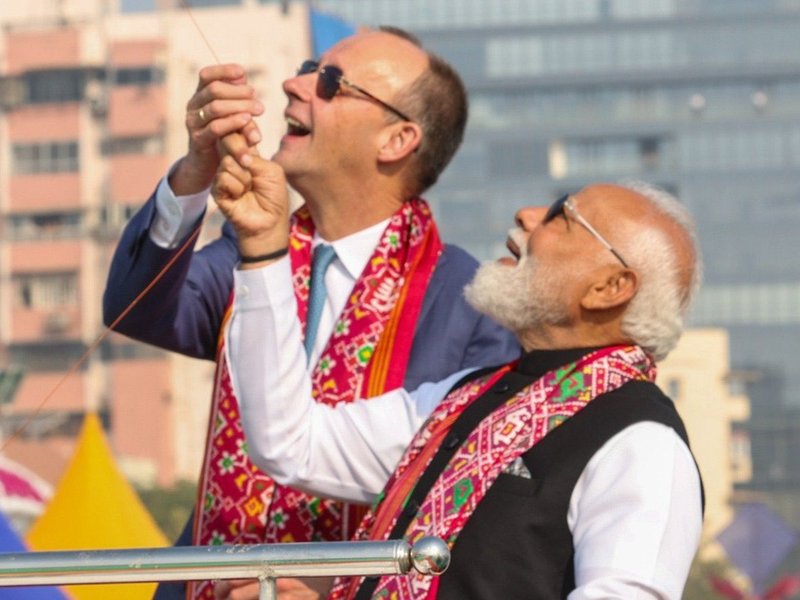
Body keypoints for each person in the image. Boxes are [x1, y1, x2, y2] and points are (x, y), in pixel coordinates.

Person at [102, 26, 518, 600]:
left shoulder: (471, 304)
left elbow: (470, 507)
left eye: (330, 82)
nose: (294, 85)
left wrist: (331, 589)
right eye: (306, 67)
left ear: (396, 139)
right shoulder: (250, 253)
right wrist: (195, 173)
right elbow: (134, 310)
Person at [217, 162, 705, 598]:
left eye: (561, 215)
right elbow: (289, 442)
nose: (527, 215)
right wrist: (263, 249)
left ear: (608, 288)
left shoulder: (642, 442)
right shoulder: (465, 398)